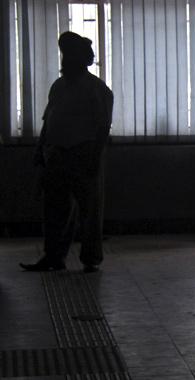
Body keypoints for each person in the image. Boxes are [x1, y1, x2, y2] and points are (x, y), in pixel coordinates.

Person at [20, 31, 114, 273]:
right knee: (54, 209)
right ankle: (54, 256)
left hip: (84, 153)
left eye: (69, 56)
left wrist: (94, 159)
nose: (64, 61)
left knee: (89, 210)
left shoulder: (97, 89)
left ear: (80, 59)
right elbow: (48, 120)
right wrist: (41, 149)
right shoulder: (58, 86)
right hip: (58, 154)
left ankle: (91, 258)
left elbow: (103, 127)